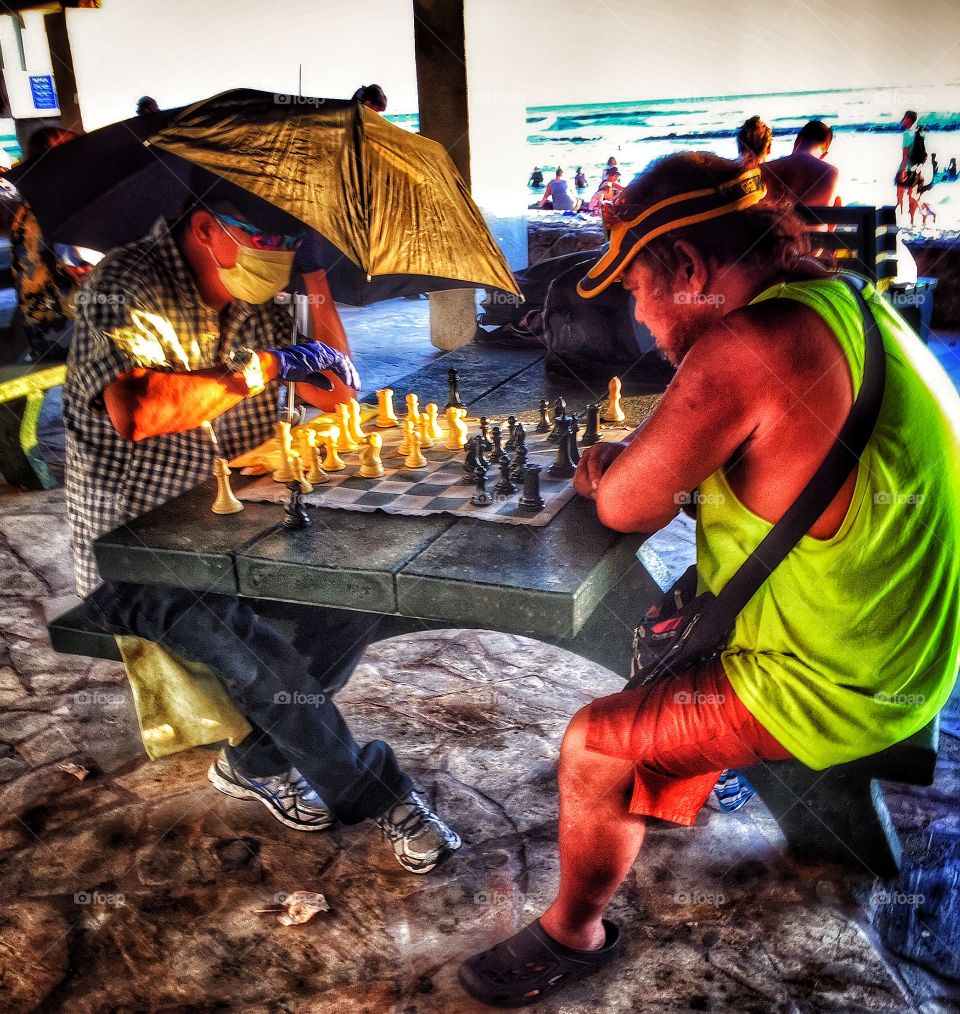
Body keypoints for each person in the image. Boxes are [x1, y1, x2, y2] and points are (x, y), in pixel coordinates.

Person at [458, 151, 960, 1006]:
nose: (642, 320)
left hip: (843, 681)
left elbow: (622, 508)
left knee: (593, 744)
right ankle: (700, 772)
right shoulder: (845, 298)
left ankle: (572, 931)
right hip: (917, 653)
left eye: (640, 292)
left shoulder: (746, 344)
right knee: (662, 643)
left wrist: (612, 470)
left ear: (688, 270)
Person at [63, 191, 461, 875]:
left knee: (363, 594)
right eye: (266, 240)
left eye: (289, 242)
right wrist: (265, 368)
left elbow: (340, 390)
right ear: (206, 227)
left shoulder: (269, 292)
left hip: (248, 535)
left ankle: (255, 759)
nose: (275, 255)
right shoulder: (124, 286)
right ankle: (379, 794)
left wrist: (312, 281)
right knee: (260, 658)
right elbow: (139, 410)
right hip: (137, 552)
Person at [9, 127, 89, 362]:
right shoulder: (53, 212)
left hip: (40, 328)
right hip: (58, 333)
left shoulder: (33, 205)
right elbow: (79, 276)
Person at [762, 119, 840, 207]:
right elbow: (829, 216)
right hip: (815, 220)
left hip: (771, 220)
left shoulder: (765, 168)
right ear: (824, 155)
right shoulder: (831, 172)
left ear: (797, 140)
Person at [896, 110, 920, 215]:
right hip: (917, 168)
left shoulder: (907, 134)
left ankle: (899, 217)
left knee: (900, 193)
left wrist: (902, 171)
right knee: (912, 194)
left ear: (908, 120)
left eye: (905, 118)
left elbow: (905, 155)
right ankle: (912, 220)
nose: (903, 120)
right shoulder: (919, 132)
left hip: (907, 167)